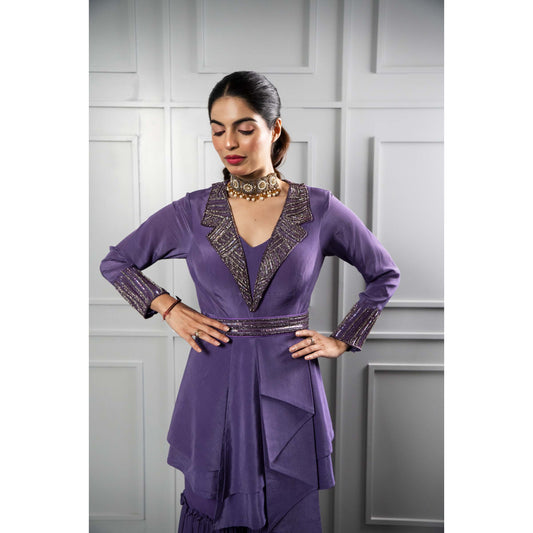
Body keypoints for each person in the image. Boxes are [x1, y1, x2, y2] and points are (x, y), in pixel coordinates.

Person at [100, 71, 400, 533]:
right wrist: (169, 307)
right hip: (214, 379)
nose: (229, 143)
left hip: (289, 380)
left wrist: (342, 340)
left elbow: (383, 273)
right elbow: (117, 262)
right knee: (213, 508)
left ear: (274, 129)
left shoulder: (319, 208)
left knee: (287, 508)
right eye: (218, 130)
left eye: (244, 128)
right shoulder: (194, 211)